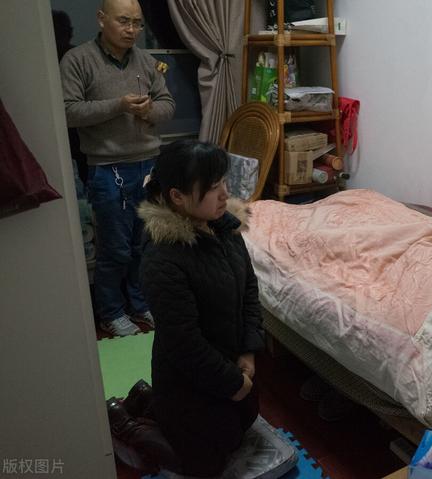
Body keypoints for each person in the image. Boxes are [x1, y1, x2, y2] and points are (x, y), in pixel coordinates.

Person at [137, 140, 264, 477]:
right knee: (207, 464)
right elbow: (183, 343)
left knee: (241, 426)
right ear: (177, 197)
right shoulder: (162, 258)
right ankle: (130, 426)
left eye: (223, 181)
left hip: (228, 362)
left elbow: (249, 290)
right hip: (187, 381)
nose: (225, 194)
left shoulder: (224, 228)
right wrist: (232, 382)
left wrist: (249, 351)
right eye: (211, 187)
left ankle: (144, 399)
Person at [60, 0, 175, 336]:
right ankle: (110, 311)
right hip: (106, 167)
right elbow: (67, 111)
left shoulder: (146, 61)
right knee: (115, 248)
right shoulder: (78, 59)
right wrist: (119, 105)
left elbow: (168, 105)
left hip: (149, 164)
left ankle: (140, 303)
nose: (132, 30)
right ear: (101, 19)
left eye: (138, 23)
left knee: (145, 243)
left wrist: (149, 111)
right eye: (124, 21)